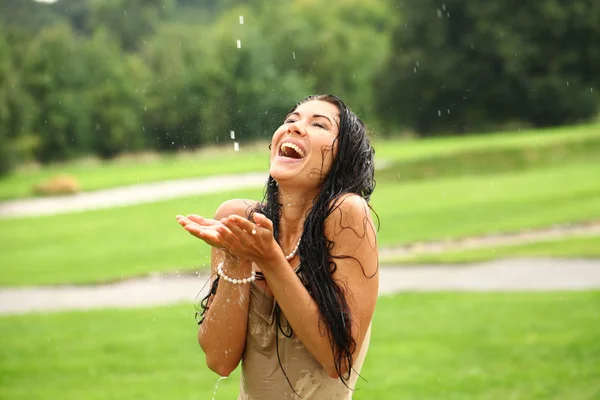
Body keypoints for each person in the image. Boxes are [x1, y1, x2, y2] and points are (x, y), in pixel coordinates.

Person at [176, 94, 379, 399]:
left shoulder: (347, 213)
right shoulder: (239, 220)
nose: (295, 128)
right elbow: (220, 360)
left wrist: (270, 259)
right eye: (290, 120)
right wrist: (236, 258)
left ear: (342, 157)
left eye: (319, 124)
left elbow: (337, 360)